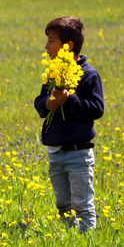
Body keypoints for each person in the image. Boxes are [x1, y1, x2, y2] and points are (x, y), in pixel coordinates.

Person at [34, 17, 104, 233]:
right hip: (55, 153)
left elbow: (96, 108)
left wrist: (69, 100)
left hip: (78, 154)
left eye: (51, 40)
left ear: (68, 47)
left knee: (82, 206)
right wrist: (48, 103)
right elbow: (39, 102)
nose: (46, 46)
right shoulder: (53, 74)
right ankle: (69, 240)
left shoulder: (88, 75)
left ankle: (87, 243)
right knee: (63, 204)